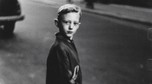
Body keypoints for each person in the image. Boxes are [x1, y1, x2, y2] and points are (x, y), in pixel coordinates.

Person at [46, 4, 82, 84]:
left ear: (78, 25)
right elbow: (65, 79)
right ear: (57, 23)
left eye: (75, 23)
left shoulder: (68, 42)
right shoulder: (60, 48)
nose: (71, 27)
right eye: (67, 22)